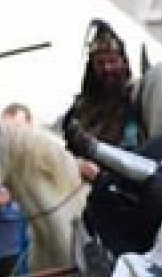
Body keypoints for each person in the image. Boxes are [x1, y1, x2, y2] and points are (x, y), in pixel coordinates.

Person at [62, 19, 146, 184]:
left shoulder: (136, 98)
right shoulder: (80, 108)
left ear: (123, 63)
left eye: (112, 61)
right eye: (100, 63)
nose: (107, 68)